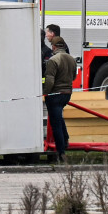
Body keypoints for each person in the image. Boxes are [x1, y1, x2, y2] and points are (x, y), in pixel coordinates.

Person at [43, 24, 77, 162]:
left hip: (55, 94)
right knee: (59, 117)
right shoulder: (72, 59)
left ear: (54, 47)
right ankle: (66, 138)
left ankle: (61, 152)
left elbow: (50, 80)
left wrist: (45, 93)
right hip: (67, 94)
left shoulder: (53, 60)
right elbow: (74, 77)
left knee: (56, 123)